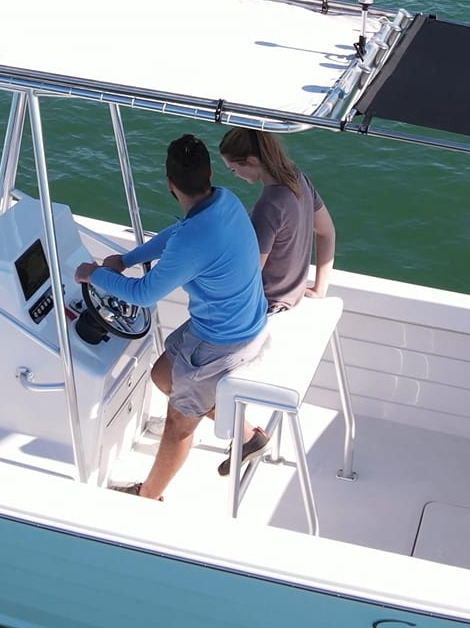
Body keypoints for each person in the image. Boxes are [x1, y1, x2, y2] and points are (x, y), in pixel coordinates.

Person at [76, 134, 268, 500]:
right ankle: (249, 437)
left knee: (179, 422)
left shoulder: (194, 239)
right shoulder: (224, 201)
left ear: (169, 184)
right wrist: (128, 260)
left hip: (223, 341)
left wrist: (94, 274)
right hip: (240, 321)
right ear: (209, 173)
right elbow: (176, 234)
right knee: (162, 374)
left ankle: (148, 497)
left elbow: (144, 293)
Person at [217, 127, 337, 313]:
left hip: (268, 304)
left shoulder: (268, 206)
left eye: (234, 169)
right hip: (293, 297)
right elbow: (327, 232)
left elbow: (250, 274)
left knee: (177, 342)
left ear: (252, 161)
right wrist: (319, 290)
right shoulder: (297, 178)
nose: (235, 175)